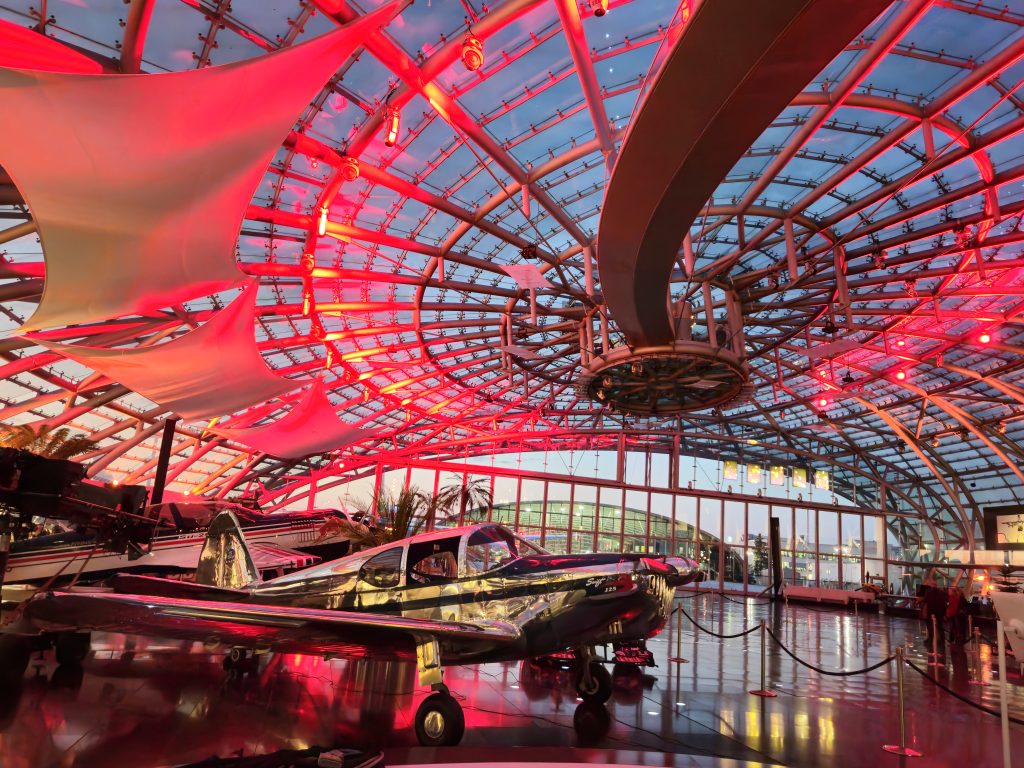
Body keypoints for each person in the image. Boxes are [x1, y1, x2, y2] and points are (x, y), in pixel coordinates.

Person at [922, 579, 948, 648]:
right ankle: (942, 641)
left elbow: (925, 600)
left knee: (930, 628)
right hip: (939, 614)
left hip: (930, 613)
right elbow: (944, 603)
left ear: (931, 585)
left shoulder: (928, 591)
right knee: (940, 627)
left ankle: (931, 641)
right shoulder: (941, 592)